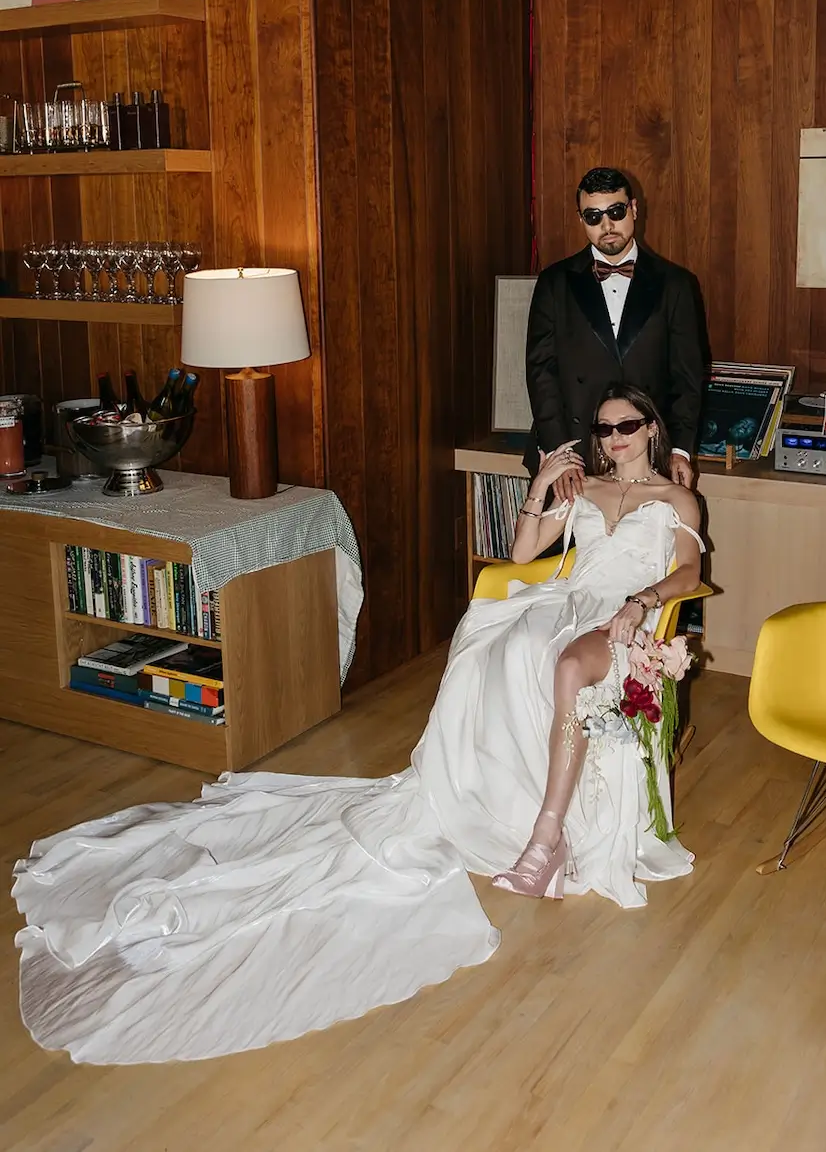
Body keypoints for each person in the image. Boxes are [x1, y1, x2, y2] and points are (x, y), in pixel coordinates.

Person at [12, 387, 703, 1066]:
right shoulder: (583, 489)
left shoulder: (675, 500)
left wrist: (642, 601)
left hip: (621, 614)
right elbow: (523, 558)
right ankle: (504, 803)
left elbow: (690, 571)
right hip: (564, 602)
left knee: (550, 663)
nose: (613, 439)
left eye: (627, 427)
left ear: (651, 428)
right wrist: (543, 487)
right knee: (508, 643)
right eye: (604, 428)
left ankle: (547, 837)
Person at [525, 166, 707, 494]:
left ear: (634, 209)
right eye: (593, 216)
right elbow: (540, 372)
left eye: (616, 212)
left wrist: (680, 449)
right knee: (567, 547)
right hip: (574, 454)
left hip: (650, 454)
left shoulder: (676, 284)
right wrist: (559, 453)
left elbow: (688, 376)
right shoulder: (554, 283)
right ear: (581, 219)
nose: (607, 226)